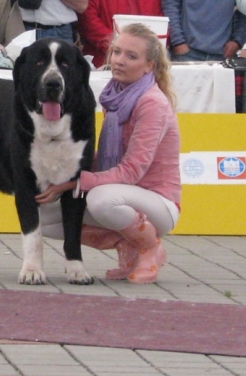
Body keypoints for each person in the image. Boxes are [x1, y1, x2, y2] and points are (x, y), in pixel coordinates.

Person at [36, 23, 181, 284]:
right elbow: (101, 155)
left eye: (131, 56)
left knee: (100, 200)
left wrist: (73, 182)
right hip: (123, 195)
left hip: (159, 202)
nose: (119, 61)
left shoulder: (152, 103)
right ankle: (126, 243)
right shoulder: (114, 96)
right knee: (41, 215)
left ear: (150, 66)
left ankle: (150, 247)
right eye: (116, 52)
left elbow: (132, 170)